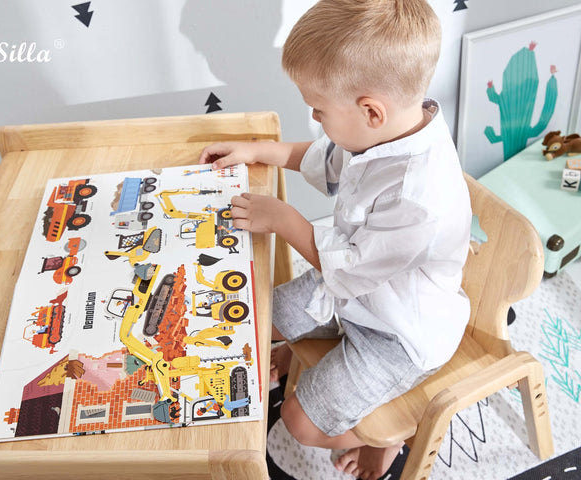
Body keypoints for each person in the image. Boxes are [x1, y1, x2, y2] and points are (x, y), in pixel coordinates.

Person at [198, 0, 471, 478]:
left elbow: (343, 269)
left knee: (299, 423)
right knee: (253, 318)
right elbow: (325, 156)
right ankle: (302, 349)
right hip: (352, 293)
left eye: (319, 111)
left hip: (397, 334)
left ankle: (389, 439)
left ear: (370, 111)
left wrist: (284, 219)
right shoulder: (385, 131)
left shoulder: (420, 197)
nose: (316, 120)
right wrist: (260, 150)